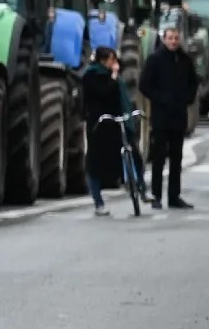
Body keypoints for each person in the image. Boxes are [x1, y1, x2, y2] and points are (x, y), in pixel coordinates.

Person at [139, 25, 200, 209]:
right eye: (170, 38)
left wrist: (187, 98)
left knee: (177, 157)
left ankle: (174, 196)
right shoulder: (155, 59)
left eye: (176, 38)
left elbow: (194, 82)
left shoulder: (184, 60)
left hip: (178, 115)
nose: (173, 41)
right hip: (161, 115)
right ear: (164, 39)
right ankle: (156, 195)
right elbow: (144, 85)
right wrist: (160, 99)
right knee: (159, 157)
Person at [81, 48, 125, 216]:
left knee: (124, 153)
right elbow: (104, 93)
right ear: (102, 60)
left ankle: (136, 187)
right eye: (111, 60)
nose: (113, 64)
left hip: (113, 122)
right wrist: (113, 78)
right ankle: (98, 200)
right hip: (97, 124)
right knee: (95, 163)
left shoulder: (111, 76)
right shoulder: (91, 76)